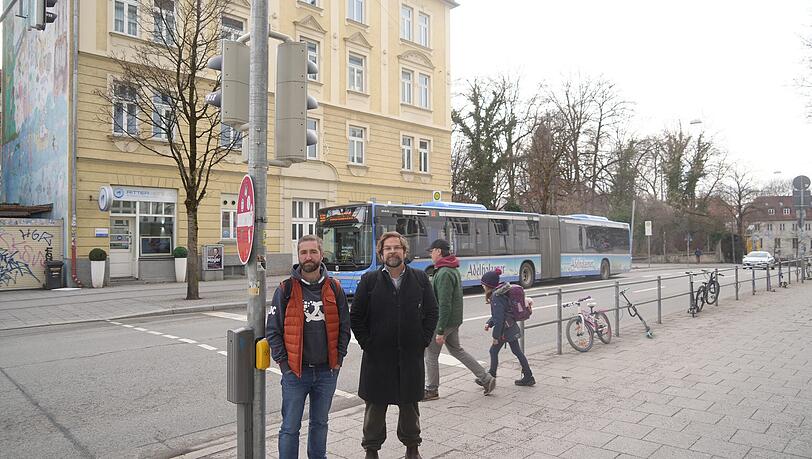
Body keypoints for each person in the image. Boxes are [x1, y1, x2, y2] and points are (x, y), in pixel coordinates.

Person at [351, 231, 438, 459]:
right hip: (377, 358)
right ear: (381, 254)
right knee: (375, 407)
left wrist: (423, 340)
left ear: (404, 252)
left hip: (410, 356)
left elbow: (432, 312)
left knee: (409, 406)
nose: (392, 252)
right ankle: (371, 450)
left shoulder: (419, 279)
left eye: (397, 247)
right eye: (387, 248)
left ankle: (412, 448)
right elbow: (356, 316)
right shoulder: (369, 281)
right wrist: (367, 343)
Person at [265, 235, 351, 459]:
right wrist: (285, 366)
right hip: (295, 373)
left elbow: (344, 327)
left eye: (313, 252)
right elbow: (273, 330)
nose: (308, 257)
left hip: (326, 372)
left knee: (320, 424)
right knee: (290, 427)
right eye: (303, 252)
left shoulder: (334, 287)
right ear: (298, 256)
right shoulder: (285, 289)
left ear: (321, 254)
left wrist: (338, 360)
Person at [423, 239, 496, 400]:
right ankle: (485, 378)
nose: (430, 254)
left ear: (438, 251)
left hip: (444, 321)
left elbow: (444, 303)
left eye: (431, 251)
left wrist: (440, 330)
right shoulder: (450, 268)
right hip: (453, 320)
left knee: (431, 354)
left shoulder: (444, 272)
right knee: (456, 350)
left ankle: (432, 389)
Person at [481, 268, 535, 387]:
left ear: (488, 285)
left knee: (493, 351)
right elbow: (502, 314)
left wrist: (496, 336)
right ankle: (528, 376)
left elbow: (499, 318)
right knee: (517, 351)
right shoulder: (501, 292)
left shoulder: (496, 296)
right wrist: (489, 323)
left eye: (483, 284)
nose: (482, 286)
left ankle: (490, 378)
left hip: (504, 330)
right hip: (510, 326)